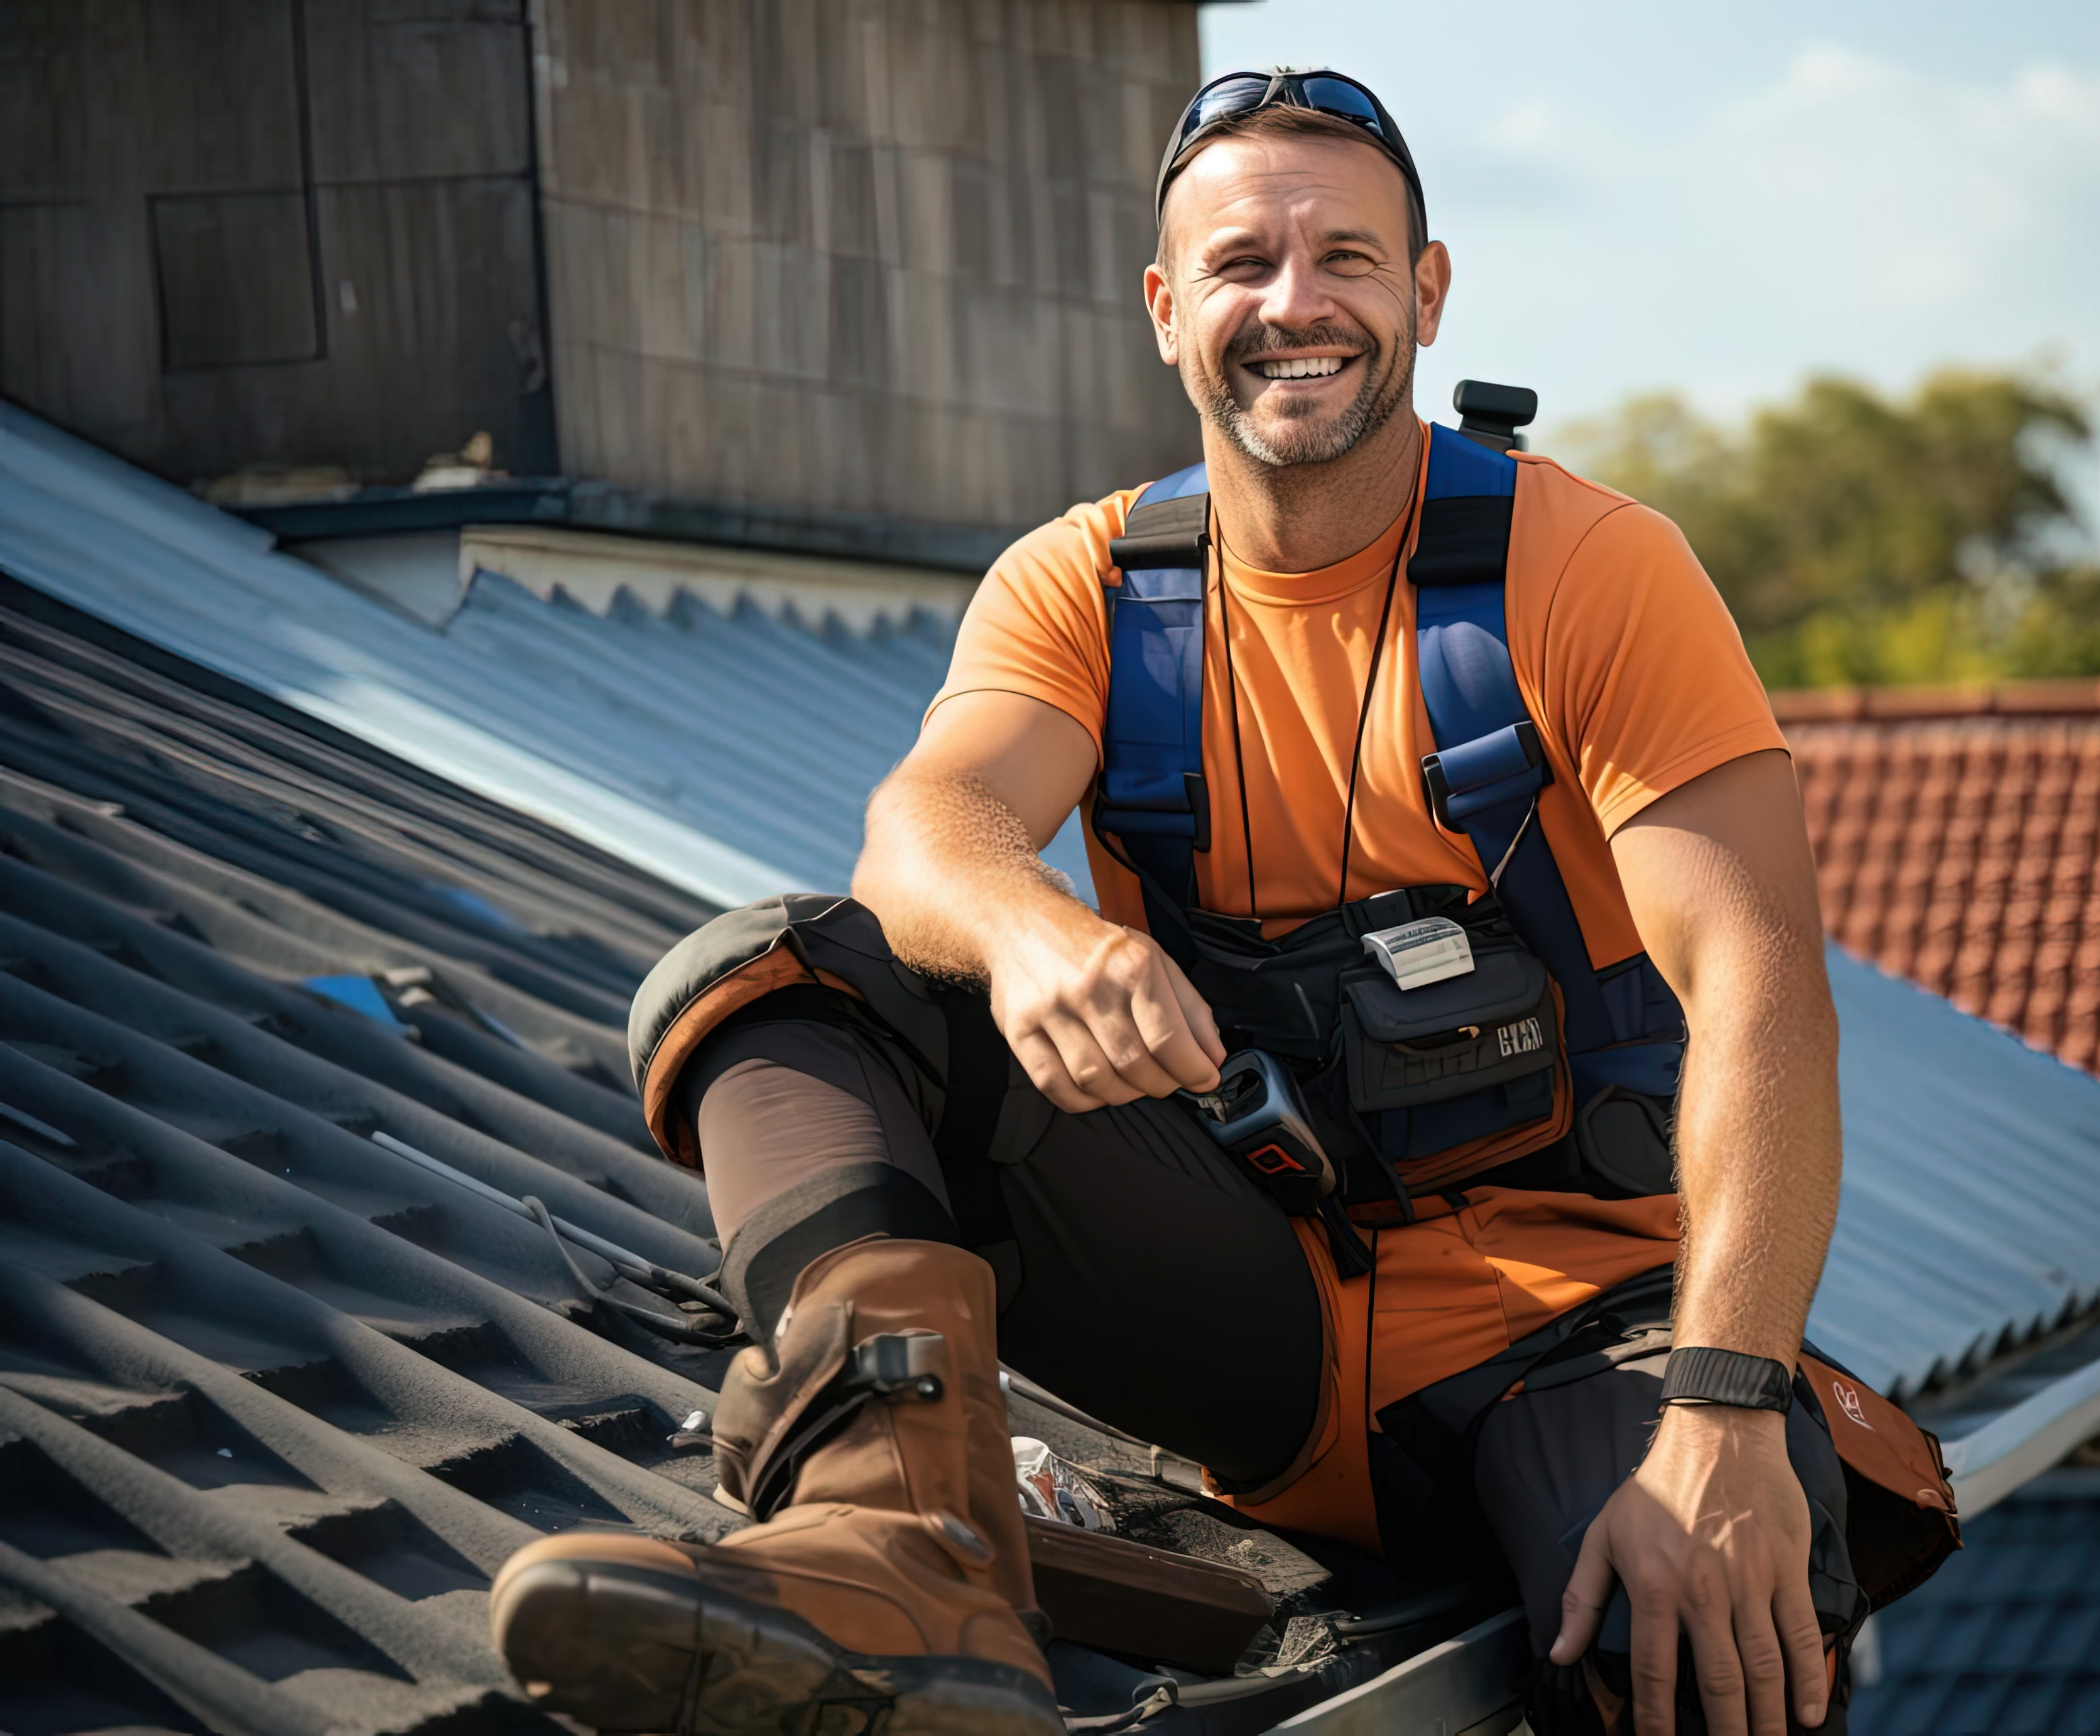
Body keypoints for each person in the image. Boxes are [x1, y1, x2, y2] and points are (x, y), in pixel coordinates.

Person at [486, 67, 1917, 1736]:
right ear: (1168, 311)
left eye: (1348, 260)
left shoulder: (1590, 573)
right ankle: (896, 1540)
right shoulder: (1087, 584)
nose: (1293, 304)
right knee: (779, 976)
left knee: (1694, 1645)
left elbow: (1760, 989)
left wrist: (1728, 1406)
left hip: (1574, 1329)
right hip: (1256, 1316)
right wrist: (1035, 927)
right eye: (1242, 265)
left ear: (1429, 292)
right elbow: (926, 826)